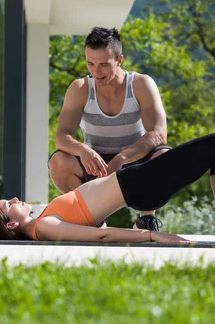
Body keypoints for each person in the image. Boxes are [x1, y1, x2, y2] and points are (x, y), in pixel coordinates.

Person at [0, 132, 215, 245]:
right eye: (9, 204)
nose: (16, 199)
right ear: (11, 223)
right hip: (141, 185)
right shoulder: (44, 227)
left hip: (137, 179)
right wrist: (152, 235)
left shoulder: (41, 221)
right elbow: (101, 234)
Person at [48, 27, 171, 231]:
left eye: (104, 64)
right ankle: (90, 217)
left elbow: (158, 134)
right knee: (58, 162)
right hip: (95, 165)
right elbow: (61, 136)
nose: (96, 71)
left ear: (119, 60)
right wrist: (83, 150)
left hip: (134, 163)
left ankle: (146, 218)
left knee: (165, 156)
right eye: (90, 63)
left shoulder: (141, 84)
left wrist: (122, 158)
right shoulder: (80, 89)